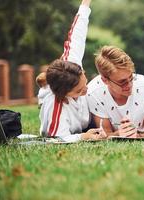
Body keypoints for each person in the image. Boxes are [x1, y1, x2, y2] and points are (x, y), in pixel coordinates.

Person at [40, 0, 105, 142]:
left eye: (85, 83)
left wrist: (85, 4)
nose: (86, 90)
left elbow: (77, 35)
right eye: (79, 91)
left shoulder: (72, 63)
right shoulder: (56, 104)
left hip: (85, 122)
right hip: (72, 129)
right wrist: (83, 136)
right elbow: (56, 139)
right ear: (63, 94)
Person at [86, 46, 144, 138]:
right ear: (105, 80)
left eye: (131, 77)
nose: (129, 85)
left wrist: (137, 136)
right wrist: (118, 134)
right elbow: (105, 135)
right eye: (122, 82)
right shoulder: (93, 92)